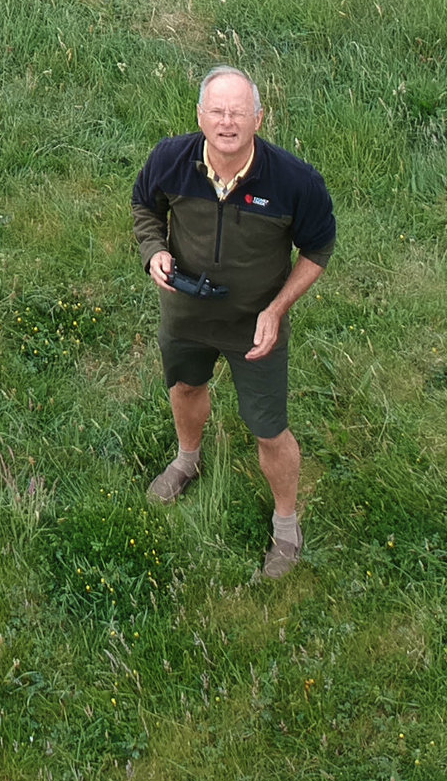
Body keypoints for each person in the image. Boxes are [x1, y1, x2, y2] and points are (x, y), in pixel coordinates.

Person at [132, 64, 334, 580]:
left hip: (255, 328)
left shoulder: (295, 181)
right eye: (217, 111)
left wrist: (276, 309)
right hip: (185, 315)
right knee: (184, 387)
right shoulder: (169, 159)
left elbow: (317, 249)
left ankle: (286, 526)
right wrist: (154, 251)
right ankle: (187, 459)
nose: (227, 122)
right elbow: (145, 208)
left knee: (270, 429)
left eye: (239, 112)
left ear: (258, 118)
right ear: (200, 116)